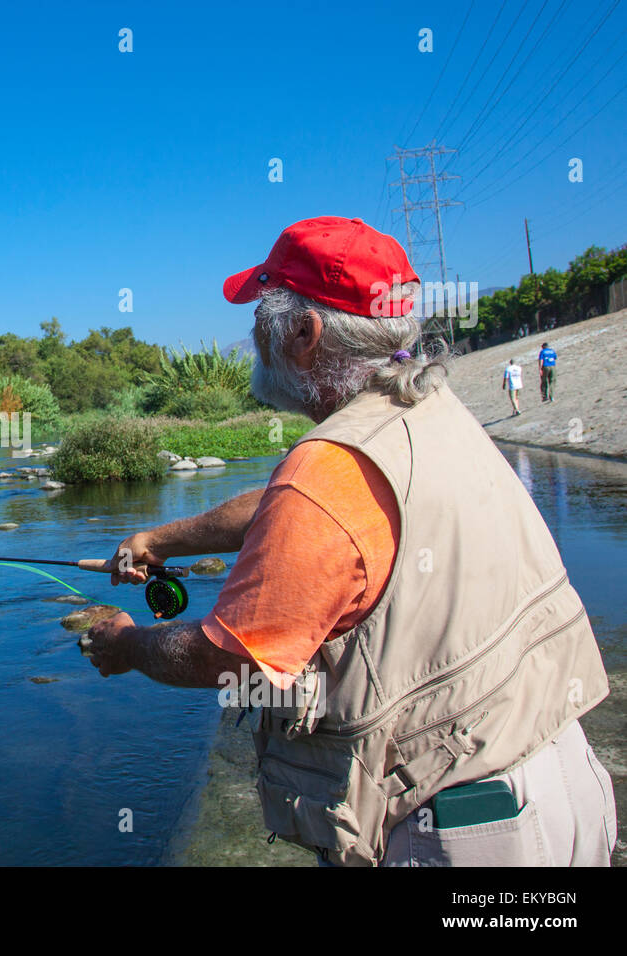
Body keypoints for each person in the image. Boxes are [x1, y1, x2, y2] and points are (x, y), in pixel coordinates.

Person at [78, 216, 614, 867]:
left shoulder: (328, 472)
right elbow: (285, 504)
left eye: (260, 316)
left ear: (304, 334)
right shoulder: (423, 405)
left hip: (473, 833)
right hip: (561, 775)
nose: (252, 337)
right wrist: (160, 538)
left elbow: (235, 657)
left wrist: (128, 645)